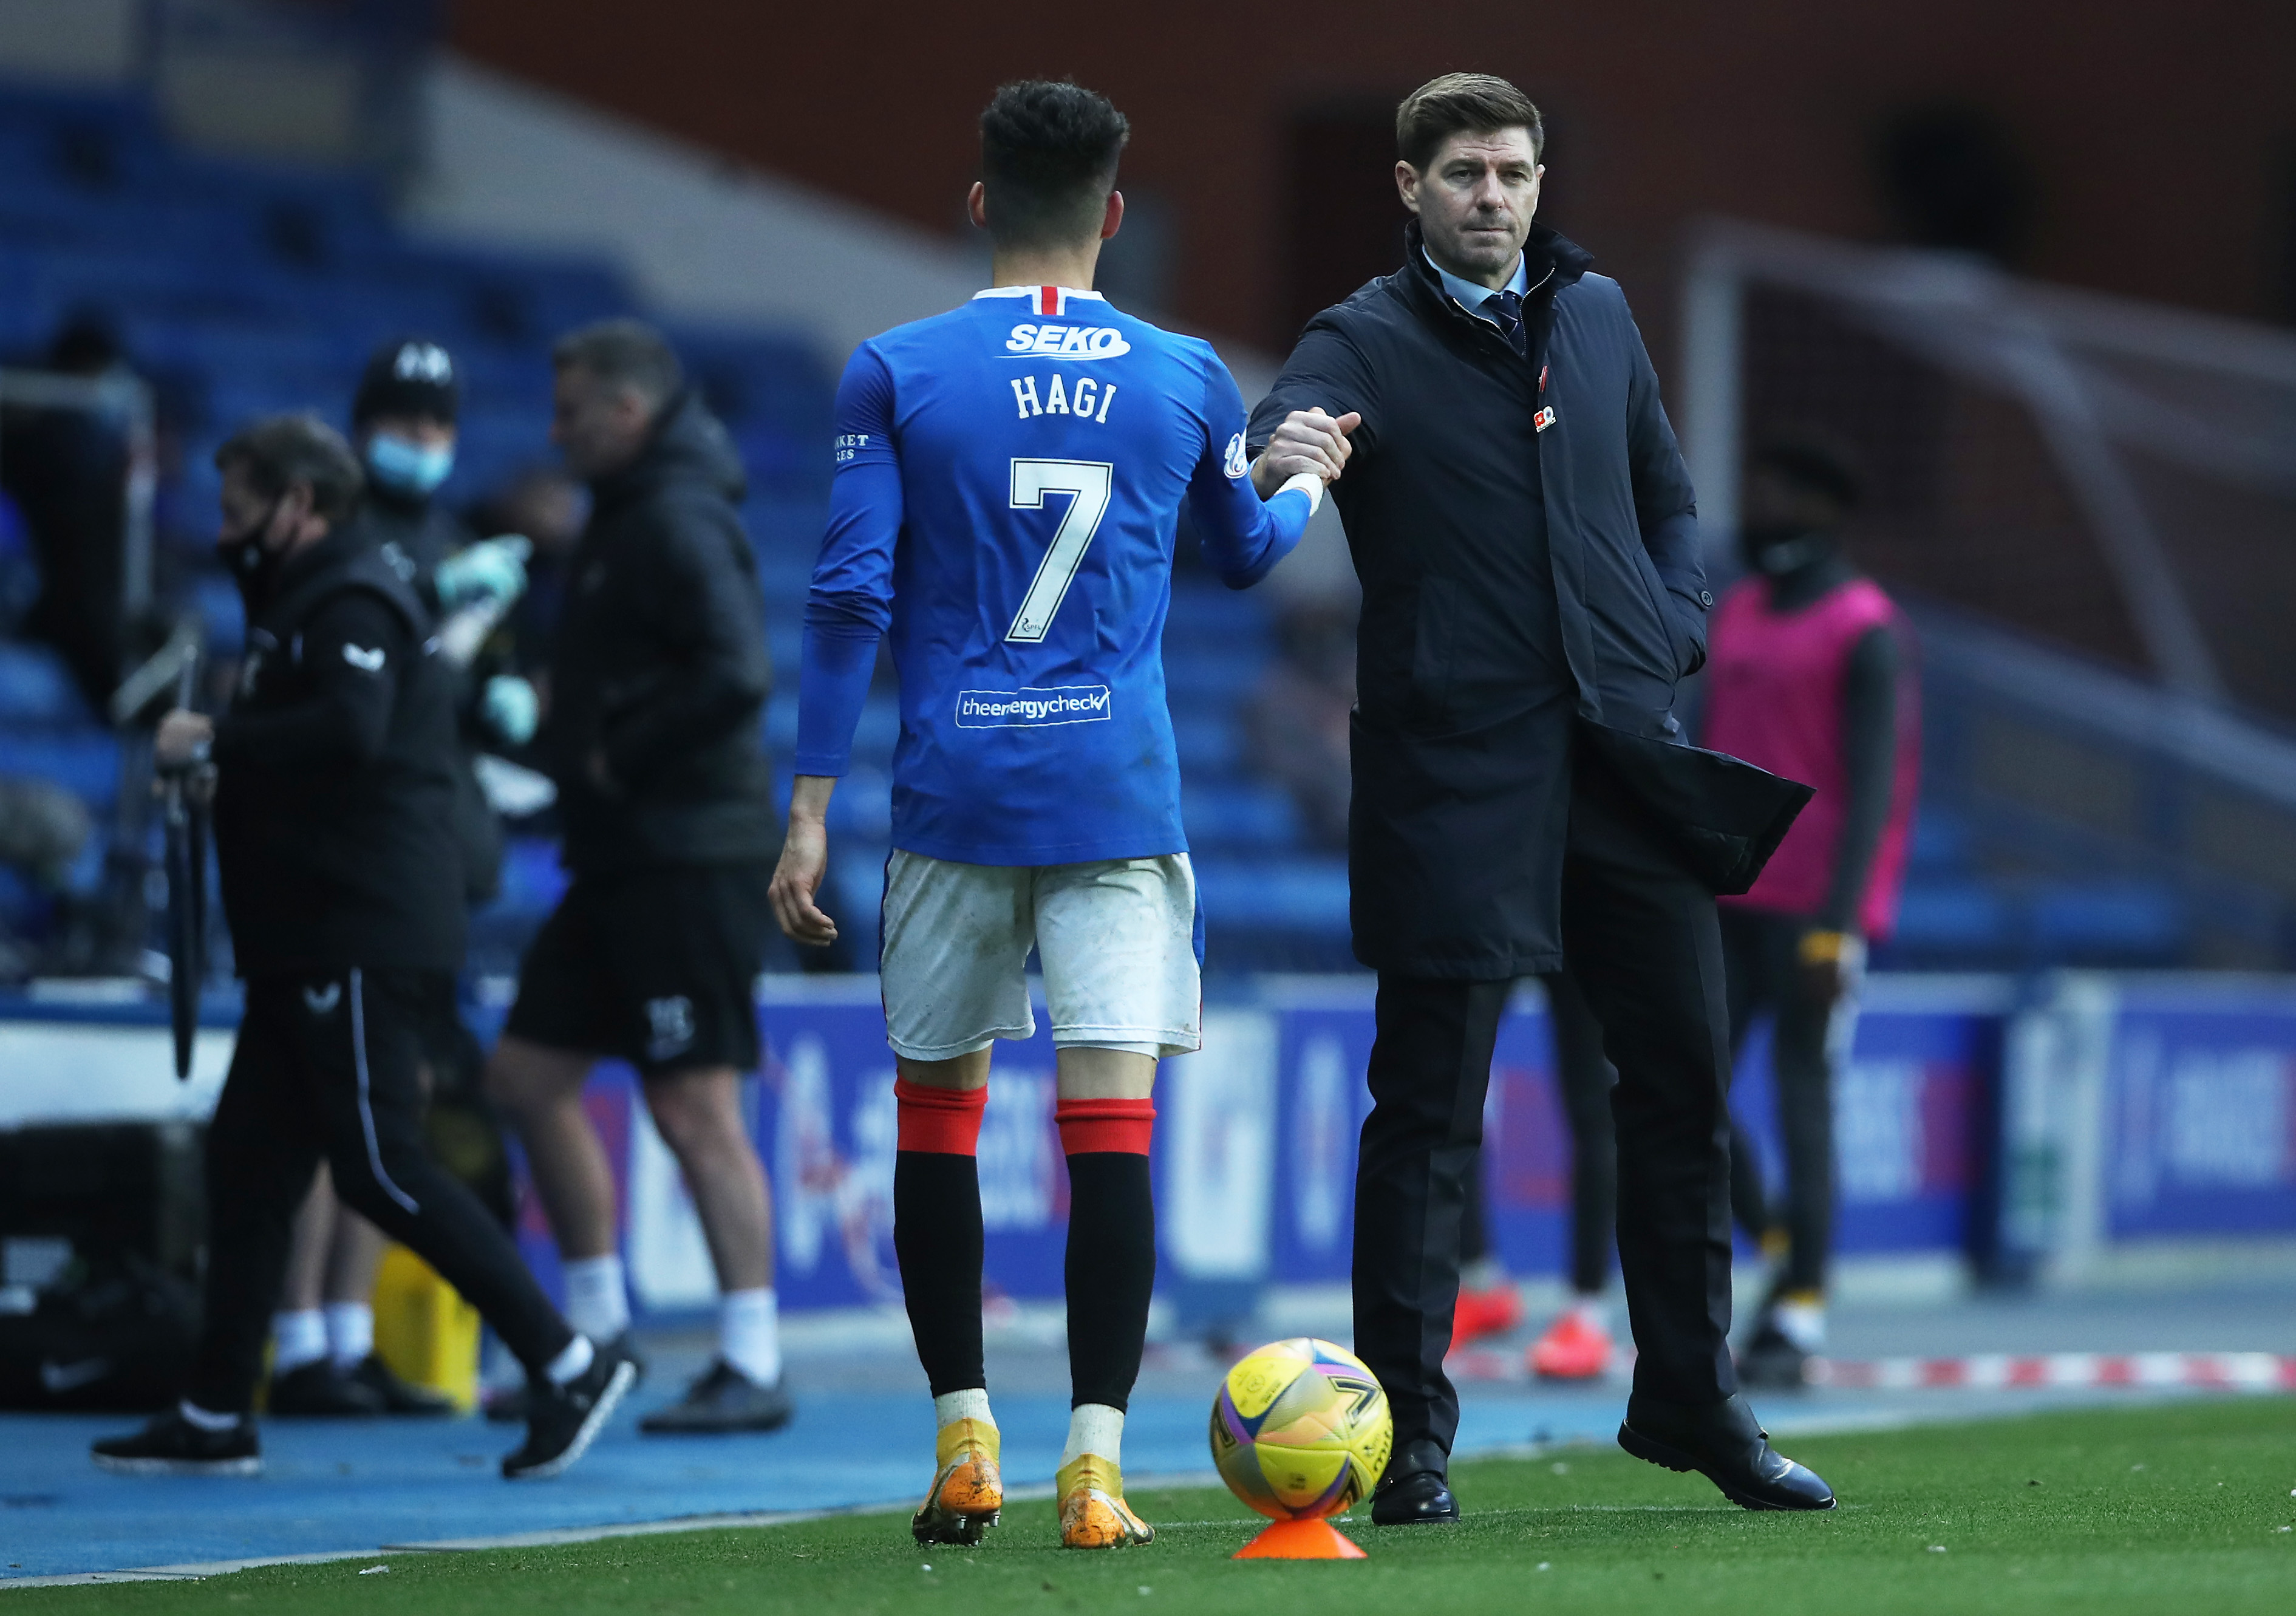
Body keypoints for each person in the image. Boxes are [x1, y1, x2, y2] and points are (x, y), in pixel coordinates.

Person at [1248, 72, 1832, 1521]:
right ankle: (1406, 1441)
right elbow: (1283, 429)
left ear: (1537, 176)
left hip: (1622, 761)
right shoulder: (1361, 341)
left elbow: (1665, 492)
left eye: (1512, 170)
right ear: (1409, 187)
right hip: (1454, 777)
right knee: (1430, 1110)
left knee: (1682, 1088)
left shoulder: (1600, 313)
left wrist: (1675, 624)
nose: (1492, 196)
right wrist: (1288, 455)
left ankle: (1692, 1401)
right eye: (1461, 173)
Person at [768, 80, 1326, 1552]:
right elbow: (1248, 554)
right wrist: (1302, 484)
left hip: (953, 797)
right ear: (1115, 217)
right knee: (1112, 1138)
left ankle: (963, 1447)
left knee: (938, 1128)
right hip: (1115, 805)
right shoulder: (1187, 372)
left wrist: (810, 806)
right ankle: (1095, 1469)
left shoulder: (894, 368)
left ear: (976, 208)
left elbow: (846, 596)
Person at [90, 414, 632, 1479]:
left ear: (298, 504)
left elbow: (350, 728)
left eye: (242, 504)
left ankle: (565, 1358)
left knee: (383, 1165)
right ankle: (213, 1408)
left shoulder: (346, 595)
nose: (226, 525)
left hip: (356, 922)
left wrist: (217, 741)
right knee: (247, 1162)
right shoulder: (317, 593)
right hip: (310, 929)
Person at [483, 319, 792, 1436]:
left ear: (624, 412)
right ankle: (594, 1336)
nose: (554, 432)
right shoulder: (624, 514)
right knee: (525, 1075)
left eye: (570, 412)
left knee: (693, 1101)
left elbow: (739, 673)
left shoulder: (676, 516)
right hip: (617, 853)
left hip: (685, 853)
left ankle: (753, 1359)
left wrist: (621, 744)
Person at [264, 337, 534, 1419]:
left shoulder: (453, 537)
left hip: (430, 860)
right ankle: (297, 1341)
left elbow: (482, 689)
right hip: (353, 858)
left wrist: (505, 689)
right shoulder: (334, 536)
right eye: (404, 424)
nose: (421, 444)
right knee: (332, 1105)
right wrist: (441, 623)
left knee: (398, 1108)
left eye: (437, 428)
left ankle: (343, 1333)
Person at [1702, 434, 1918, 1387]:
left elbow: (1875, 789)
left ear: (1824, 505)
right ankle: (1779, 1236)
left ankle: (1798, 1305)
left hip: (1816, 908)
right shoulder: (1742, 607)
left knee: (1801, 1097)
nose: (1763, 502)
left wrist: (1840, 923)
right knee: (1686, 1078)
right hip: (1728, 889)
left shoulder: (1864, 626)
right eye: (1759, 484)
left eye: (1782, 488)